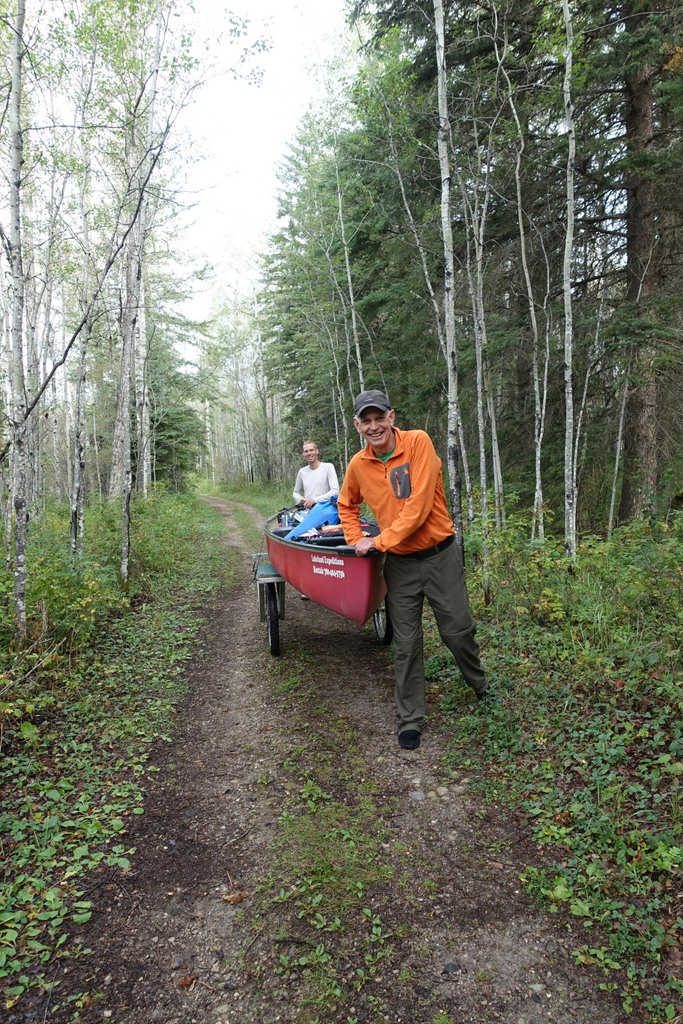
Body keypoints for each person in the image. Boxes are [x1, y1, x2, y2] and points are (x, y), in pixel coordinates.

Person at [337, 389, 491, 751]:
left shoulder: (418, 443)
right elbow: (346, 505)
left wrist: (377, 542)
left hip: (440, 556)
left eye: (379, 418)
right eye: (366, 421)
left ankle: (480, 684)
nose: (374, 427)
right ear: (357, 425)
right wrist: (357, 537)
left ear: (391, 417)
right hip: (400, 566)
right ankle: (410, 718)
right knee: (405, 644)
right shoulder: (359, 464)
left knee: (457, 631)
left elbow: (418, 507)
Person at [293, 440, 339, 509]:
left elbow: (335, 491)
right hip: (308, 510)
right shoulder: (302, 472)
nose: (309, 453)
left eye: (311, 450)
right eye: (306, 451)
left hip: (325, 509)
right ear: (304, 454)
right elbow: (295, 492)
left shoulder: (328, 467)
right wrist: (299, 499)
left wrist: (314, 500)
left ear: (317, 451)